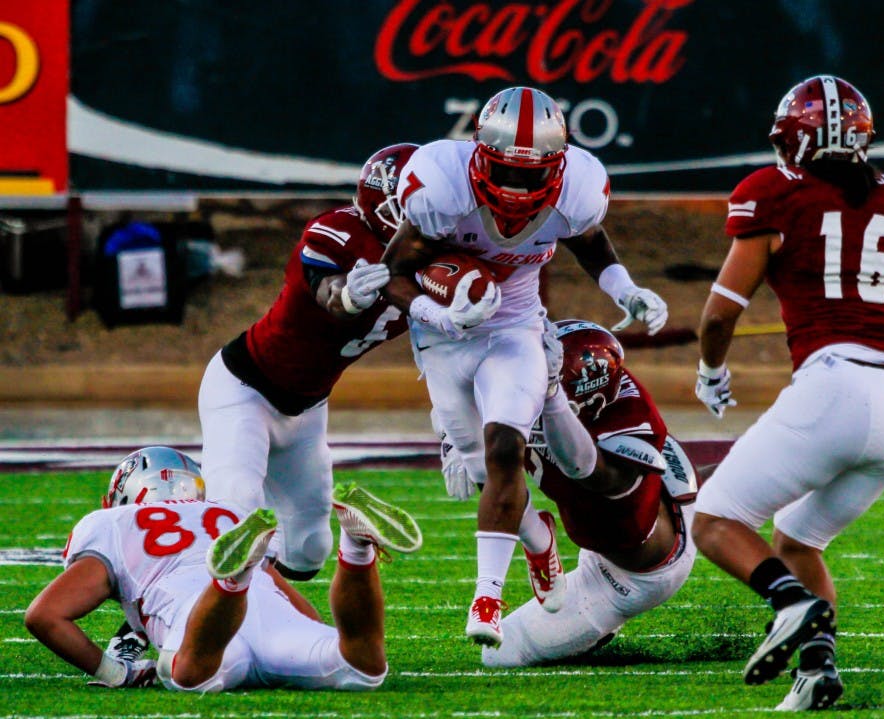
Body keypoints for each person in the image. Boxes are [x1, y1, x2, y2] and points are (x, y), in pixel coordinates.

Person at [690, 75, 884, 711]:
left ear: (791, 140)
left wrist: (711, 371)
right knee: (798, 540)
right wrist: (879, 321)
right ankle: (818, 673)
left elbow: (721, 313)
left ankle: (791, 605)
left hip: (835, 387)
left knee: (716, 521)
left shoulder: (774, 192)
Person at [380, 86, 668, 646]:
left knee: (506, 447)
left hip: (516, 325)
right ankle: (539, 540)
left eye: (532, 176)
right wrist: (434, 311)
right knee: (483, 469)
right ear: (479, 156)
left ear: (559, 166)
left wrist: (624, 288)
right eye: (506, 172)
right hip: (443, 332)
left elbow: (590, 242)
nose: (516, 188)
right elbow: (393, 273)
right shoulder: (441, 183)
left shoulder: (579, 191)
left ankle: (486, 598)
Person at [24, 446, 422, 692]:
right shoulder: (225, 514)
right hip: (270, 611)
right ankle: (355, 547)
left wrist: (116, 673)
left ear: (125, 493)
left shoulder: (114, 524)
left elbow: (44, 615)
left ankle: (232, 579)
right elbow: (306, 614)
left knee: (189, 676)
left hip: (197, 619)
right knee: (361, 667)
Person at [198, 142, 419, 581]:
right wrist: (349, 295)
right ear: (382, 200)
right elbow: (328, 292)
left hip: (307, 409)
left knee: (307, 550)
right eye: (414, 201)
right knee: (235, 515)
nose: (425, 213)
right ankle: (164, 624)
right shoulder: (335, 230)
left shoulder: (435, 253)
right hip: (244, 389)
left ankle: (268, 601)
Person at [476, 319, 700, 667]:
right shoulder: (593, 385)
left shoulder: (627, 431)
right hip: (662, 500)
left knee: (497, 656)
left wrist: (548, 398)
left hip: (630, 576)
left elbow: (585, 470)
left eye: (542, 379)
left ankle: (599, 627)